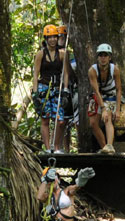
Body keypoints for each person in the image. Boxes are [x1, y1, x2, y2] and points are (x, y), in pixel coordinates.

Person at [31, 25, 69, 153]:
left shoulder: (62, 54)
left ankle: (56, 147)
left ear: (57, 38)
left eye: (54, 37)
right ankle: (48, 148)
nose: (52, 40)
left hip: (57, 88)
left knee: (60, 120)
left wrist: (65, 90)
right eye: (50, 37)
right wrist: (35, 93)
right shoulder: (40, 54)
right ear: (46, 39)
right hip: (44, 88)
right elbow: (36, 74)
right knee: (45, 119)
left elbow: (66, 73)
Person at [88, 43, 122, 154]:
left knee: (107, 117)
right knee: (93, 123)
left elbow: (118, 89)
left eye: (105, 55)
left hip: (110, 95)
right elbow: (96, 91)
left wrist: (117, 109)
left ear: (109, 57)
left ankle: (110, 146)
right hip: (98, 95)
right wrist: (102, 108)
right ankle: (104, 148)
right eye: (101, 55)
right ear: (97, 57)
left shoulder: (115, 70)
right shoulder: (92, 70)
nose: (103, 58)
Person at [57, 25, 79, 153]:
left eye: (64, 37)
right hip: (61, 89)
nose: (62, 39)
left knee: (76, 120)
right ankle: (61, 148)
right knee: (62, 120)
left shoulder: (73, 55)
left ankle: (71, 148)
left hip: (73, 89)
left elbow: (71, 74)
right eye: (60, 37)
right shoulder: (54, 53)